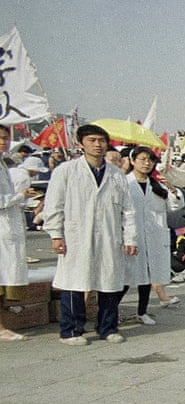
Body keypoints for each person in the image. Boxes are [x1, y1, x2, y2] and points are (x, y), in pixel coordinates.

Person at [41, 124, 138, 345]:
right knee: (75, 282)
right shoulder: (66, 171)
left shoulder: (115, 174)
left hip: (109, 236)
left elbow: (128, 210)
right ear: (81, 143)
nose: (97, 144)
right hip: (77, 236)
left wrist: (130, 238)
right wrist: (56, 235)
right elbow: (54, 205)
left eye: (101, 140)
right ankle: (72, 331)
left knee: (110, 283)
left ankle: (107, 327)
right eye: (92, 140)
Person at [122, 146, 184, 325]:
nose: (146, 163)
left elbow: (175, 206)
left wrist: (171, 188)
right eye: (142, 159)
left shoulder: (157, 186)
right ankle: (109, 312)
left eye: (150, 160)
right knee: (125, 278)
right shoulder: (124, 183)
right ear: (133, 161)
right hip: (131, 238)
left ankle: (142, 312)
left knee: (147, 277)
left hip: (153, 238)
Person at [0, 123, 31, 341]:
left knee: (5, 278)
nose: (3, 142)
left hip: (8, 226)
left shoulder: (4, 164)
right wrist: (20, 196)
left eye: (5, 138)